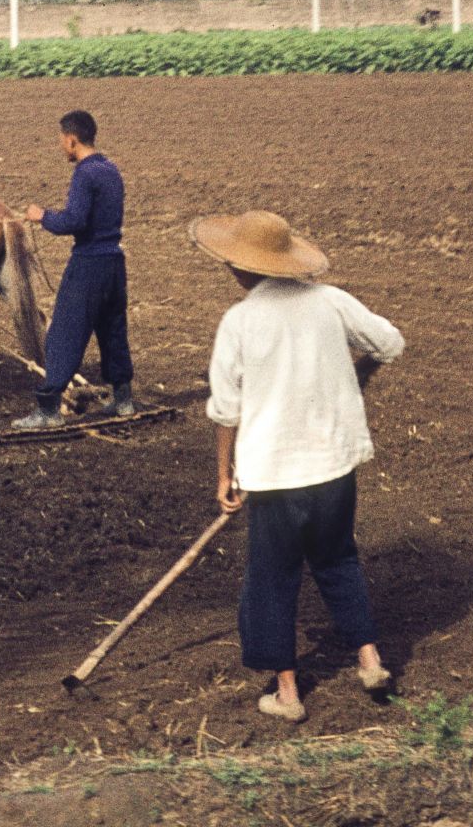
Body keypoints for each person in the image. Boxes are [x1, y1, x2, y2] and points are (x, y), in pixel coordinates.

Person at [190, 209, 402, 722]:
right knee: (337, 560)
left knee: (272, 578)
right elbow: (390, 345)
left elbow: (225, 408)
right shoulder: (331, 302)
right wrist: (357, 375)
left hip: (274, 474)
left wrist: (224, 475)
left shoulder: (240, 321)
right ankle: (369, 660)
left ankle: (287, 696)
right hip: (333, 465)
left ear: (244, 267)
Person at [14, 110, 134, 430]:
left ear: (72, 139)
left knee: (63, 333)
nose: (61, 147)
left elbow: (75, 221)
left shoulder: (85, 173)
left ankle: (48, 409)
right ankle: (122, 399)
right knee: (112, 331)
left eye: (61, 141)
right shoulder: (111, 169)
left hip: (89, 264)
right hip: (114, 263)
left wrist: (42, 216)